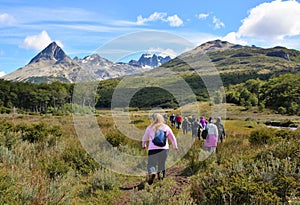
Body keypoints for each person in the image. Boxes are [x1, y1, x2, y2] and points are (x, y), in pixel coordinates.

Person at [142, 113, 178, 184]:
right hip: (164, 148)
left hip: (152, 149)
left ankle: (152, 172)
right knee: (162, 163)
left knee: (151, 163)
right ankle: (161, 178)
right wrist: (175, 146)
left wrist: (144, 145)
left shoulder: (150, 127)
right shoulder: (166, 127)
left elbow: (144, 138)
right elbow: (173, 138)